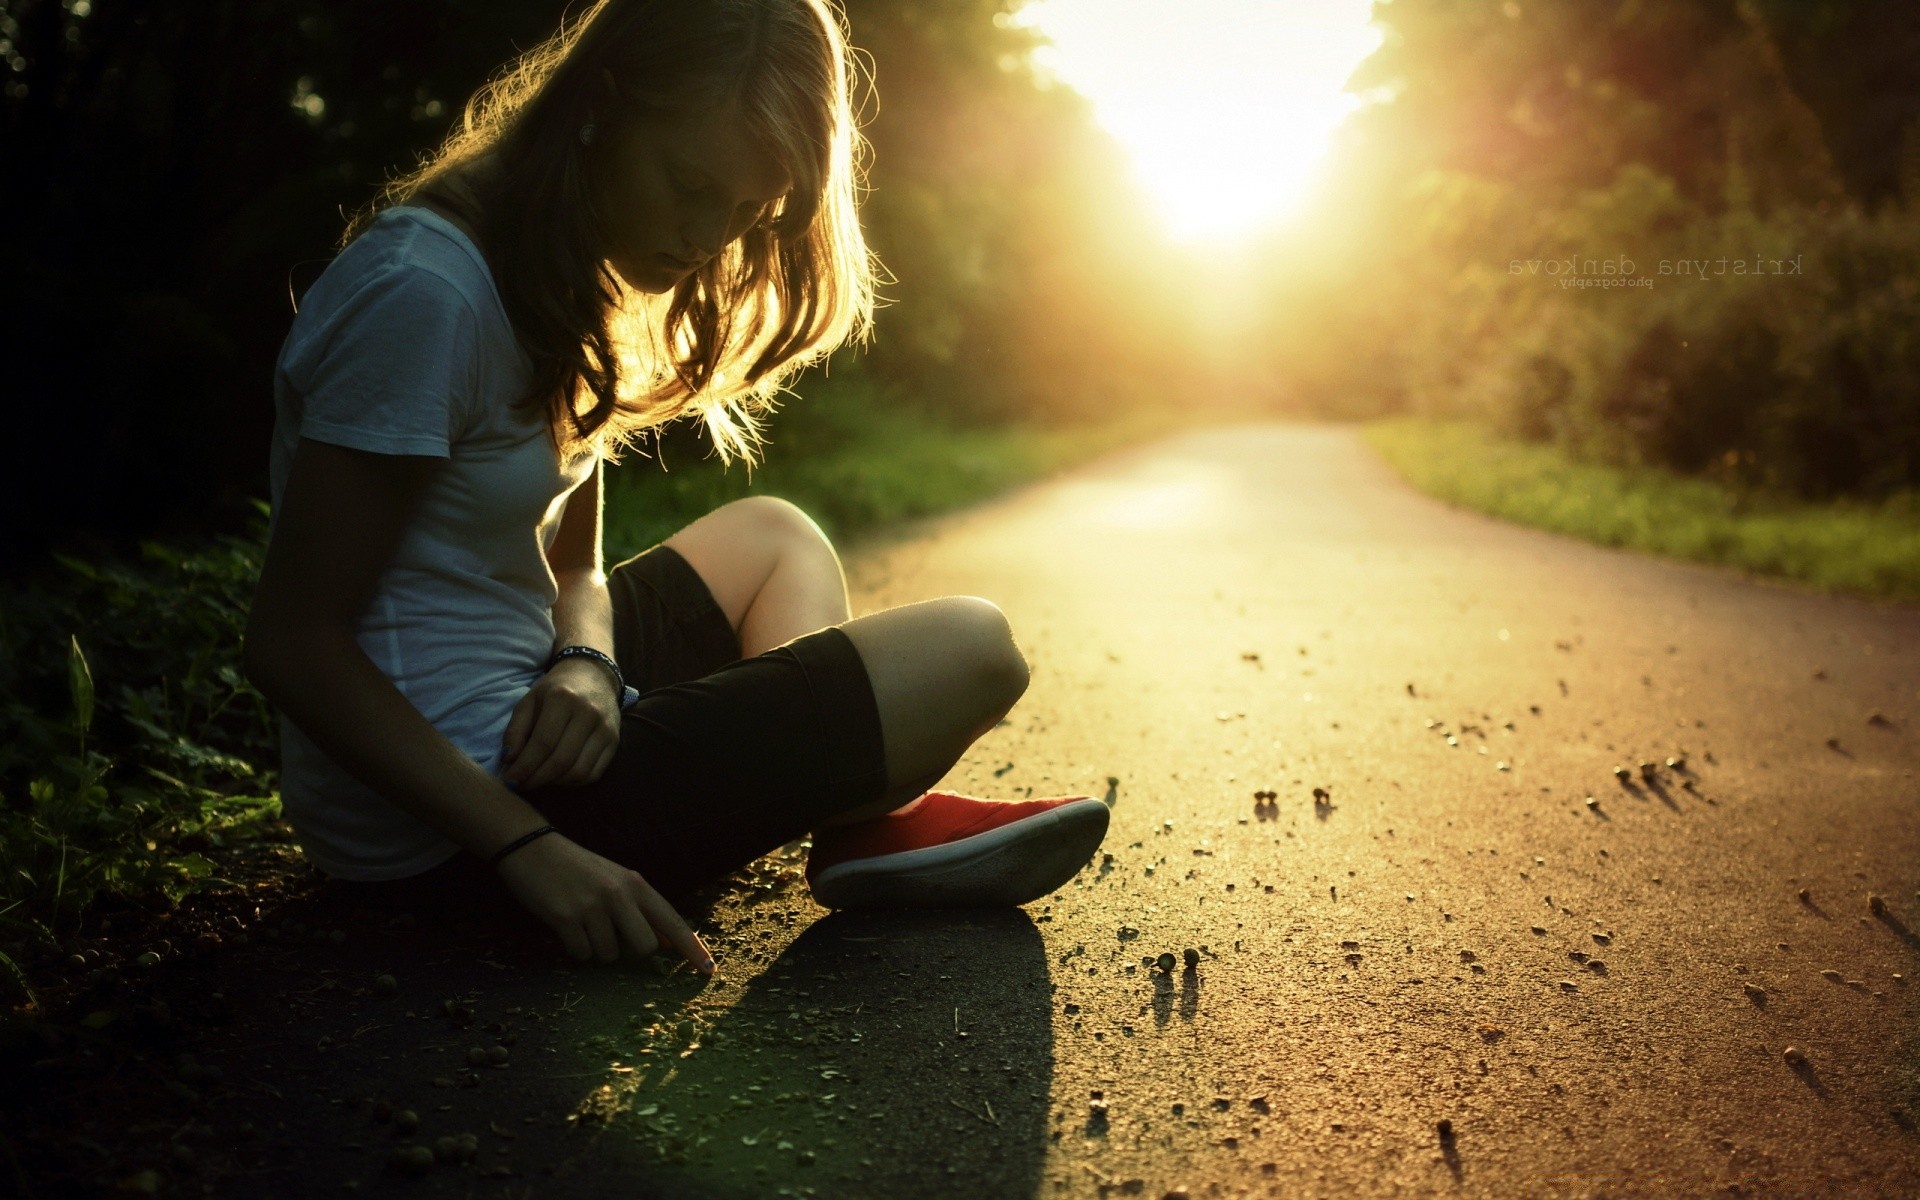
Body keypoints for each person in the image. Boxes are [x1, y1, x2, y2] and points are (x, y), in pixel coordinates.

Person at [242, 0, 1109, 974]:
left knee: (775, 534)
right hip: (450, 834)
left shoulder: (553, 267)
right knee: (974, 649)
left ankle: (846, 822)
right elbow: (293, 642)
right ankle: (854, 815)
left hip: (539, 712)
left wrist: (585, 662)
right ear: (601, 105)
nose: (709, 236)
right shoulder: (425, 296)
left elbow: (576, 559)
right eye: (690, 184)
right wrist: (532, 851)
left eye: (749, 212)